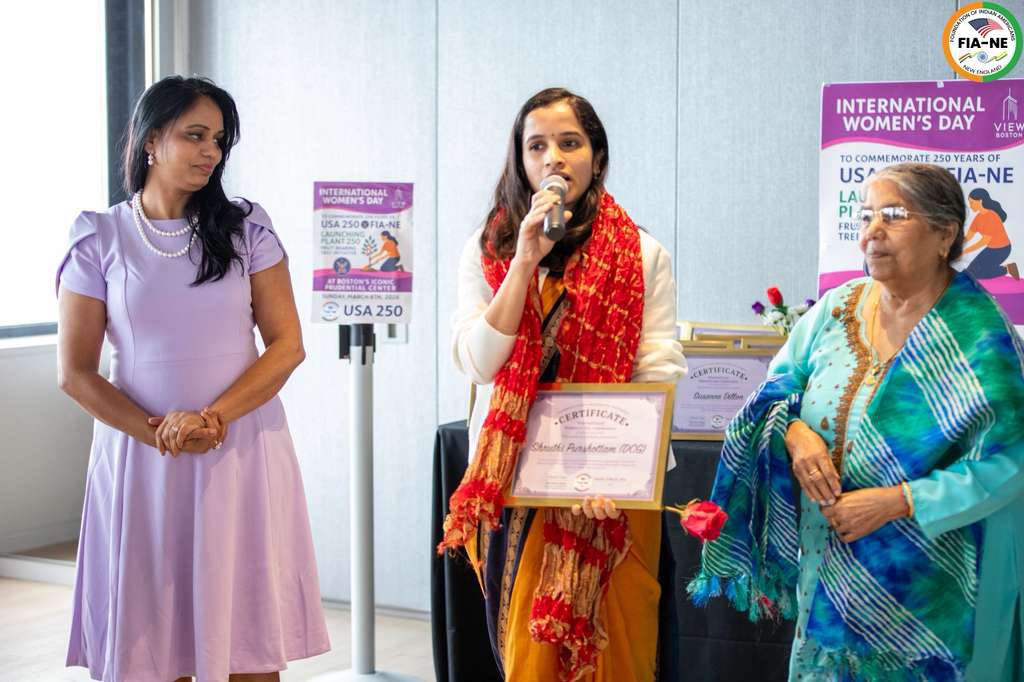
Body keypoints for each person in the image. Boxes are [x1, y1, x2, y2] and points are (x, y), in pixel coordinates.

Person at [690, 163, 1024, 681]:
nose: (871, 231)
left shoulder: (981, 338)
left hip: (933, 582)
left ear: (944, 234)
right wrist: (796, 435)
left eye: (893, 215)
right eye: (865, 215)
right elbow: (776, 390)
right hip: (826, 561)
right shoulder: (836, 308)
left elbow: (1010, 461)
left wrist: (899, 502)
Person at [56, 76, 330, 681]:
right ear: (152, 140)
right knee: (151, 639)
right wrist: (160, 433)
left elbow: (286, 346)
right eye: (195, 135)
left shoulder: (246, 229)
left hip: (239, 449)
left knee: (248, 638)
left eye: (220, 141)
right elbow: (75, 373)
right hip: (139, 458)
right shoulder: (98, 237)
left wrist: (212, 419)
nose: (210, 152)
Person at [439, 88, 685, 682]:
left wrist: (612, 474)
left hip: (615, 490)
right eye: (537, 146)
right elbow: (478, 361)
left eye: (569, 143)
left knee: (618, 646)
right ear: (520, 162)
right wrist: (524, 261)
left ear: (595, 157)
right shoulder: (488, 249)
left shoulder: (642, 254)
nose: (553, 158)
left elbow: (657, 366)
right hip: (519, 481)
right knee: (529, 649)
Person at [961, 187, 1019, 280]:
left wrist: (965, 251)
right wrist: (956, 246)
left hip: (1002, 249)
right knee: (970, 272)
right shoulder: (978, 217)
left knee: (978, 274)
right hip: (991, 249)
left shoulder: (991, 216)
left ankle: (1007, 269)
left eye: (972, 202)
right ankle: (1004, 269)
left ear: (980, 201)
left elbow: (983, 241)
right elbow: (969, 236)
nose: (970, 206)